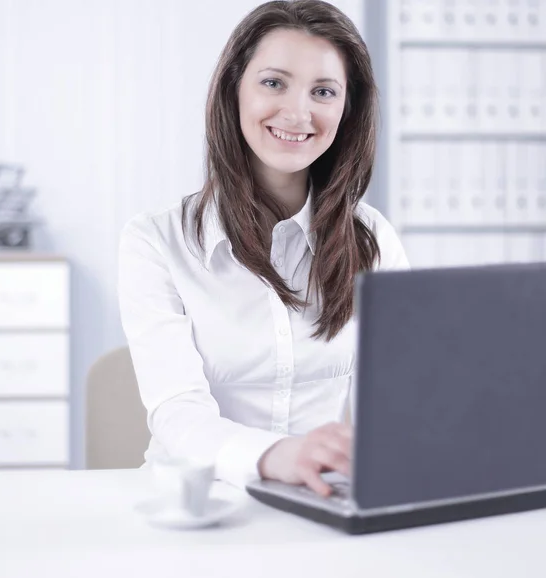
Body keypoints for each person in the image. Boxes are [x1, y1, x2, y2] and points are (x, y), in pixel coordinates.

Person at [118, 0, 409, 497]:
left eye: (323, 91)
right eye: (274, 82)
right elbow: (177, 413)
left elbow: (399, 402)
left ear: (347, 108)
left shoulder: (372, 238)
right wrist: (279, 456)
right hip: (193, 506)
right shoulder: (155, 240)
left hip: (321, 501)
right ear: (234, 89)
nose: (298, 112)